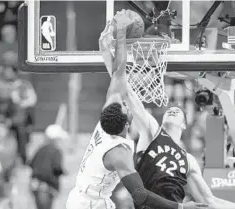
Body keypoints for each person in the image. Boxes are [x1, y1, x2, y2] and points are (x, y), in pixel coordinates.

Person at [100, 9, 235, 209]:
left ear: (184, 124)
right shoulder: (150, 133)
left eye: (177, 112)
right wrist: (110, 56)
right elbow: (126, 91)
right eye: (170, 110)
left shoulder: (189, 160)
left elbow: (210, 201)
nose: (173, 110)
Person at [66, 11, 207, 209]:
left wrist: (120, 37)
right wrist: (181, 207)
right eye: (125, 107)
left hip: (88, 197)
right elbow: (140, 195)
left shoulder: (108, 119)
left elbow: (119, 73)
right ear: (126, 123)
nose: (125, 103)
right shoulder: (118, 153)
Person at [30, 124, 67, 209]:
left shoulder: (40, 149)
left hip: (35, 185)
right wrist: (63, 172)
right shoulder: (56, 151)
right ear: (55, 139)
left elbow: (31, 164)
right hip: (47, 187)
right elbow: (57, 168)